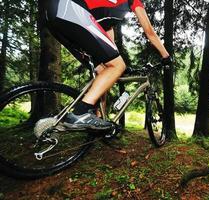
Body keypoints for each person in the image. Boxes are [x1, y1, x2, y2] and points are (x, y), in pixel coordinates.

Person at [43, 0, 171, 130]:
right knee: (117, 66)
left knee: (104, 70)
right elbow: (149, 32)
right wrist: (166, 57)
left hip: (53, 15)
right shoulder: (134, 1)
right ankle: (80, 112)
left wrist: (117, 66)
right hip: (70, 10)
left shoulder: (107, 20)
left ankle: (98, 117)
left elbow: (109, 46)